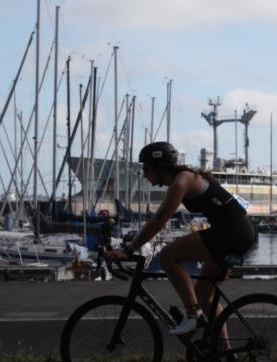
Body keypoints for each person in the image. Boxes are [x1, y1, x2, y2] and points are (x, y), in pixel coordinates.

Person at [104, 142, 256, 335]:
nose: (143, 173)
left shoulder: (181, 182)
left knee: (168, 256)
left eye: (146, 168)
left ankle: (193, 315)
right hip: (238, 234)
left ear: (159, 167)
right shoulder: (187, 177)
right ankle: (225, 356)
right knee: (203, 295)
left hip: (231, 234)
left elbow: (159, 220)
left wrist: (129, 250)